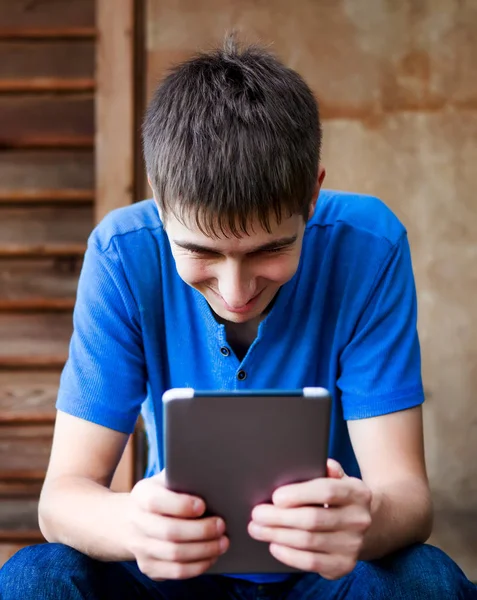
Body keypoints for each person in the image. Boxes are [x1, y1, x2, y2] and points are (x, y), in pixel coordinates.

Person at [0, 35, 475, 600]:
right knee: (35, 577)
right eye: (201, 252)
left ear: (313, 196)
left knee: (427, 580)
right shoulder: (121, 254)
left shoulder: (369, 246)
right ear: (160, 200)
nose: (236, 290)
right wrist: (133, 525)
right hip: (171, 579)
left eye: (268, 251)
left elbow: (407, 497)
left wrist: (362, 521)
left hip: (325, 579)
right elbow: (62, 500)